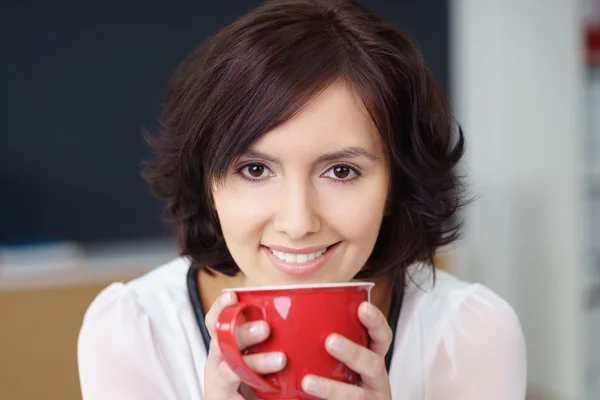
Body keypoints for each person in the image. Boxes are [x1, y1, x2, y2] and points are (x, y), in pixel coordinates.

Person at [77, 0, 527, 399]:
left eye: (341, 171)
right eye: (255, 170)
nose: (297, 222)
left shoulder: (470, 336)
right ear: (207, 183)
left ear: (395, 184)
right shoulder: (134, 332)